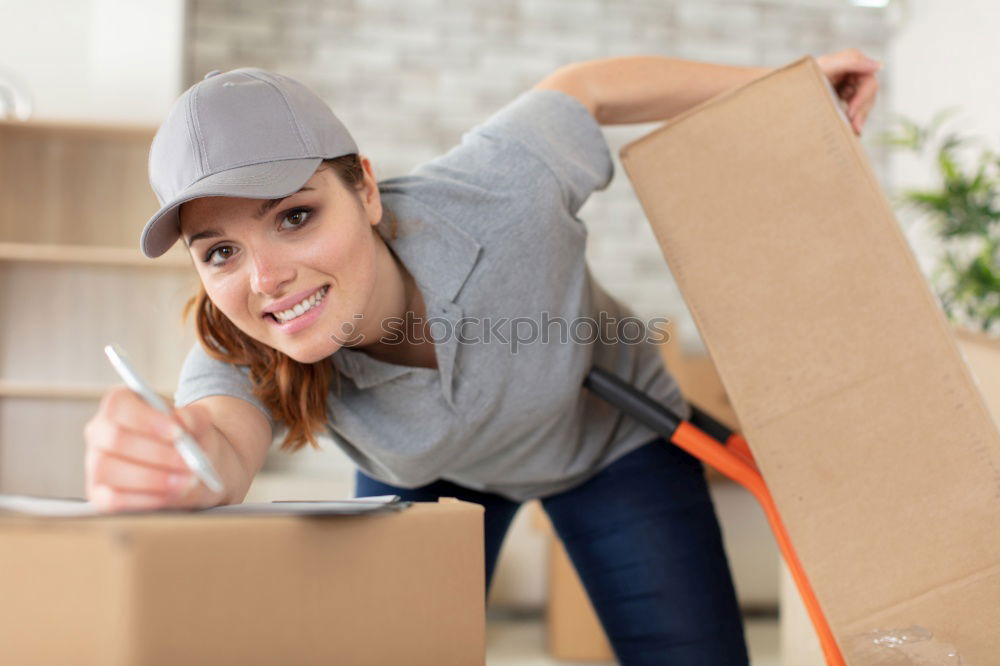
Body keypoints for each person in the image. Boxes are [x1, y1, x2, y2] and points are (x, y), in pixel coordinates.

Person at [83, 50, 879, 665]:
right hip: (429, 480)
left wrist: (790, 81)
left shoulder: (502, 192)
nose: (266, 280)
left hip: (609, 438)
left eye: (294, 216)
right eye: (219, 250)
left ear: (364, 189)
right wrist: (187, 470)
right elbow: (219, 440)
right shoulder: (238, 340)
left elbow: (587, 87)